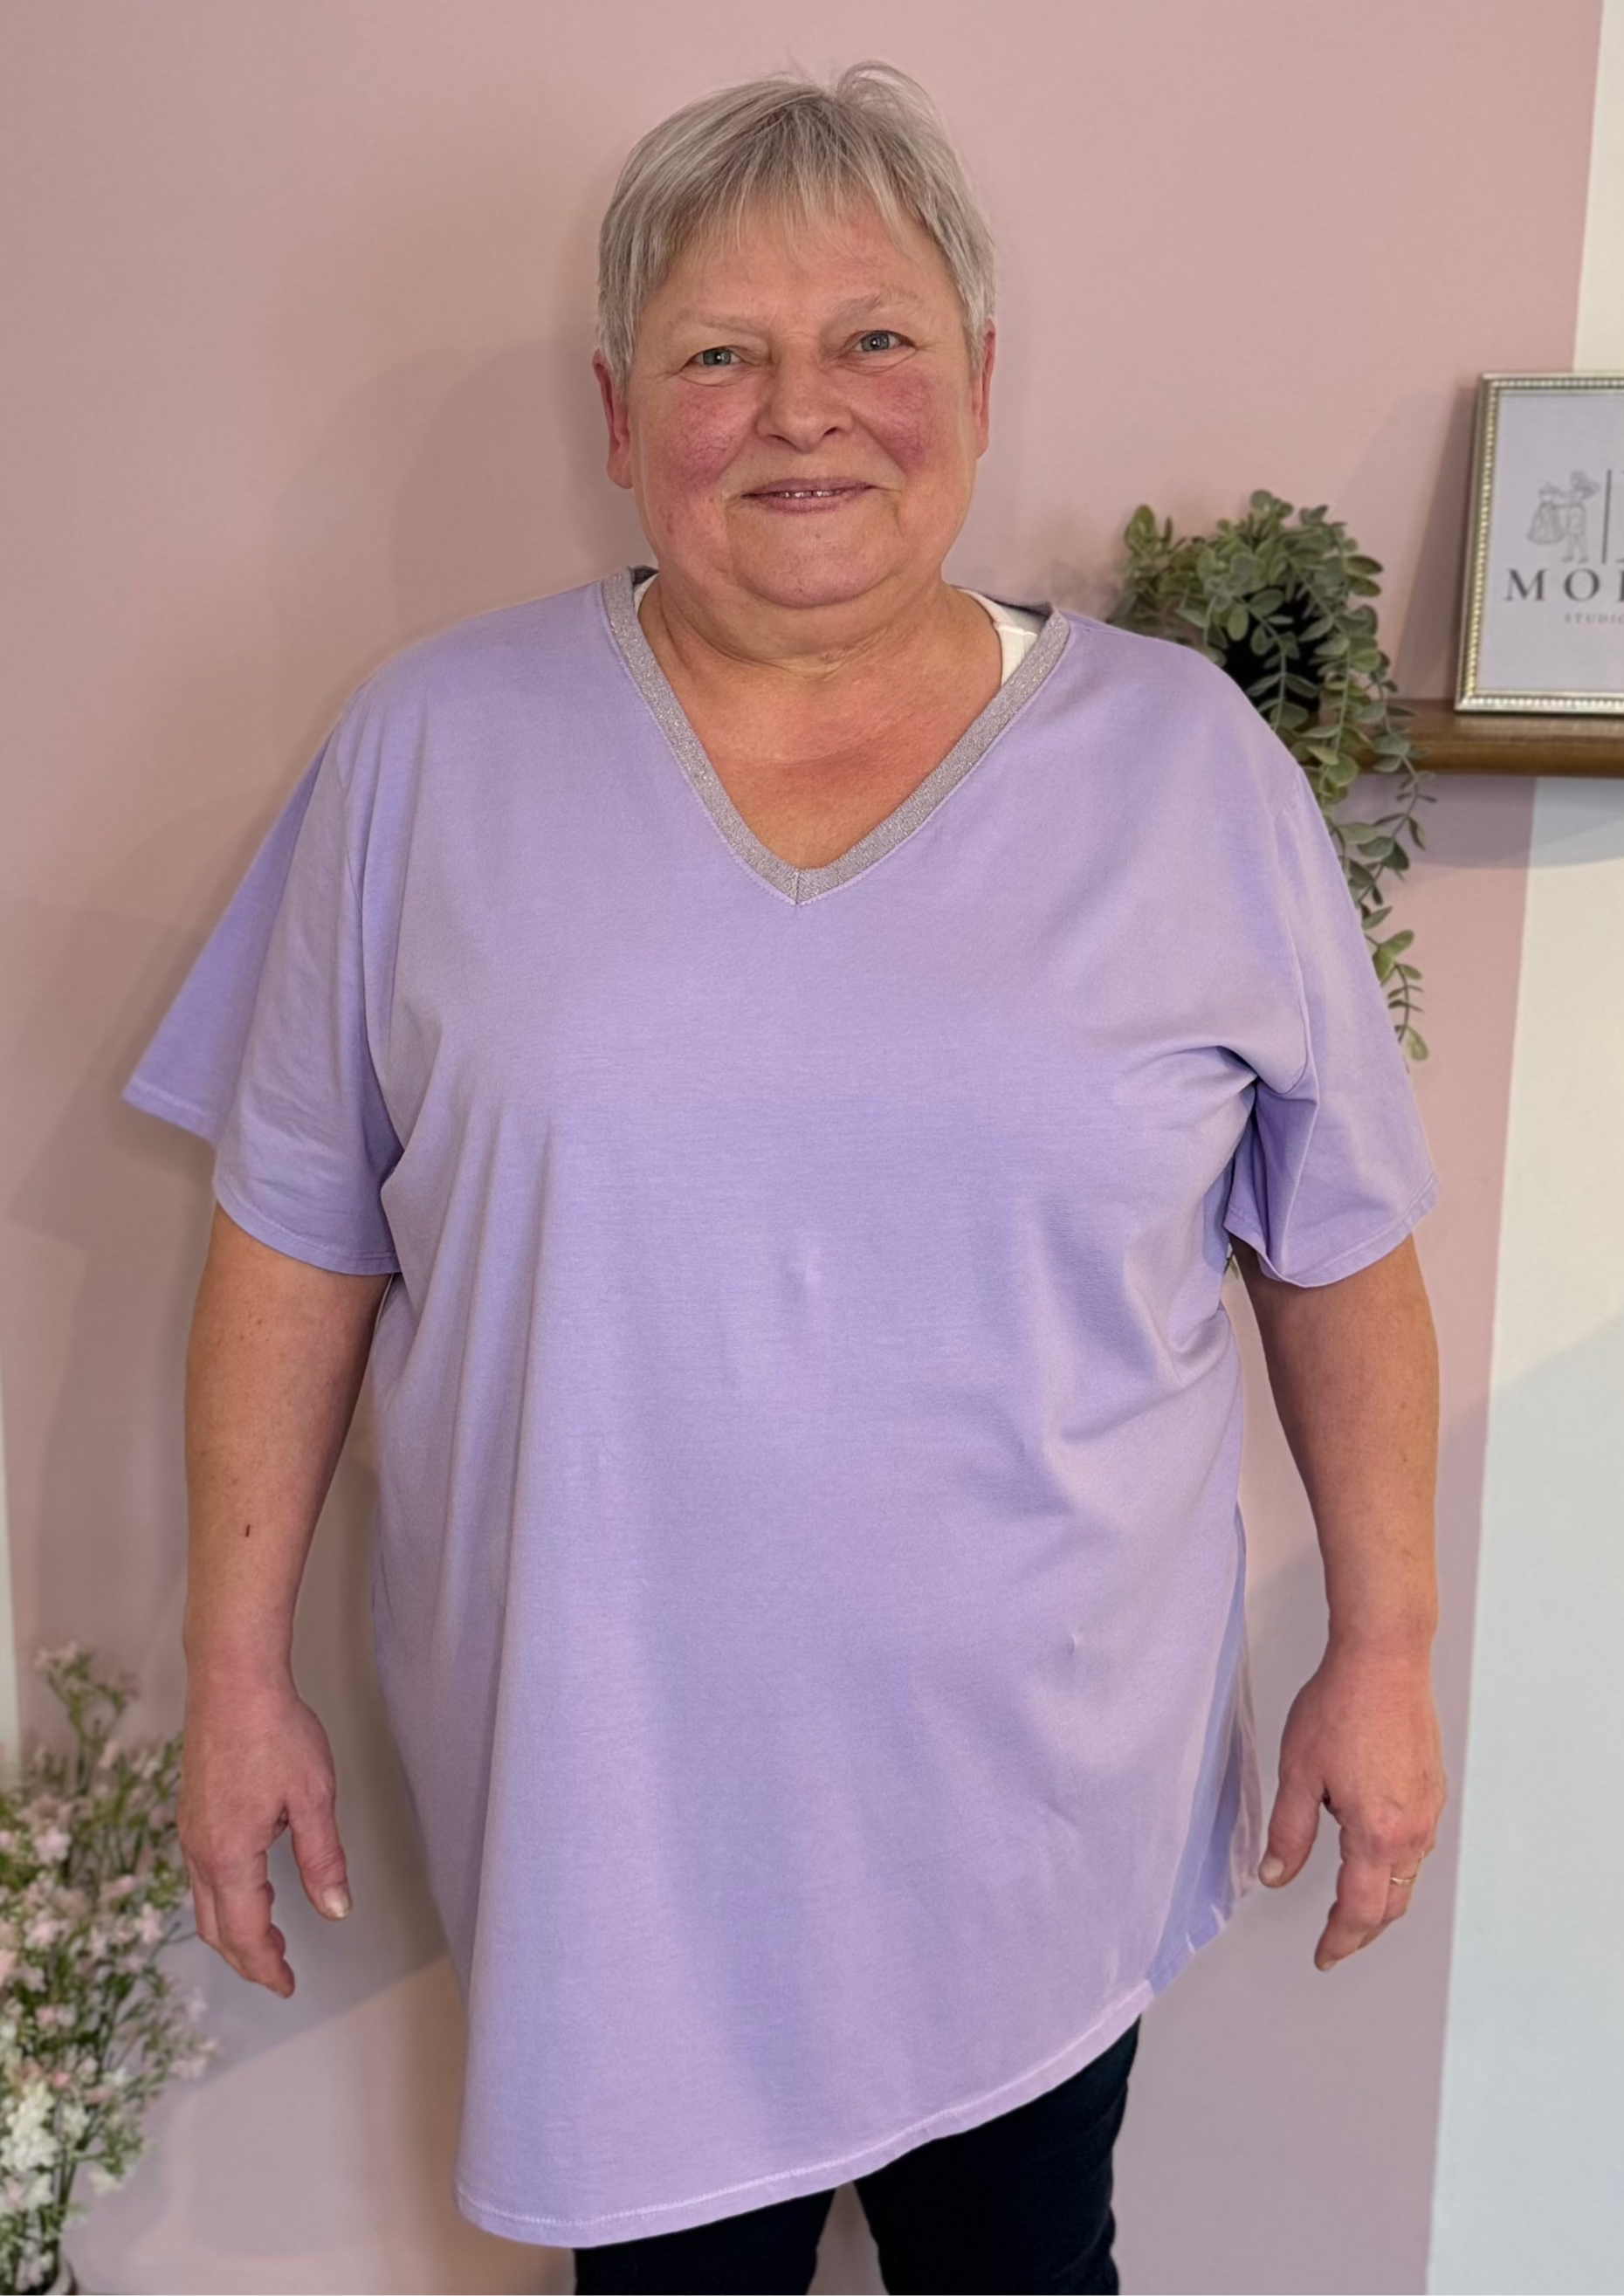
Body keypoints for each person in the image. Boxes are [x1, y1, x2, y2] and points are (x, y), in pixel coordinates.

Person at [125, 63, 1447, 2295]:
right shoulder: (429, 753)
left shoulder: (1183, 769)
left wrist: (1384, 1648)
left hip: (1039, 1804)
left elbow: (1340, 1251)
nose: (804, 410)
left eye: (875, 339)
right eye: (720, 353)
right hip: (609, 1822)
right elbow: (291, 1236)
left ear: (980, 386)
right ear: (619, 414)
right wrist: (233, 1674)